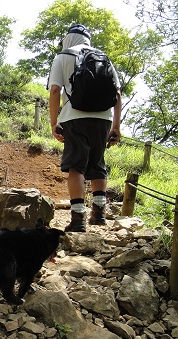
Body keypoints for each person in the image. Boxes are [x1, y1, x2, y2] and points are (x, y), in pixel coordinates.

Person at [48, 24, 122, 232]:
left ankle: (78, 217)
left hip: (74, 117)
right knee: (98, 162)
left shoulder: (62, 56)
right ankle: (99, 213)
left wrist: (55, 123)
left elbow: (55, 90)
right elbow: (117, 95)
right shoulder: (103, 58)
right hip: (103, 118)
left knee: (76, 165)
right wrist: (115, 126)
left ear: (68, 39)